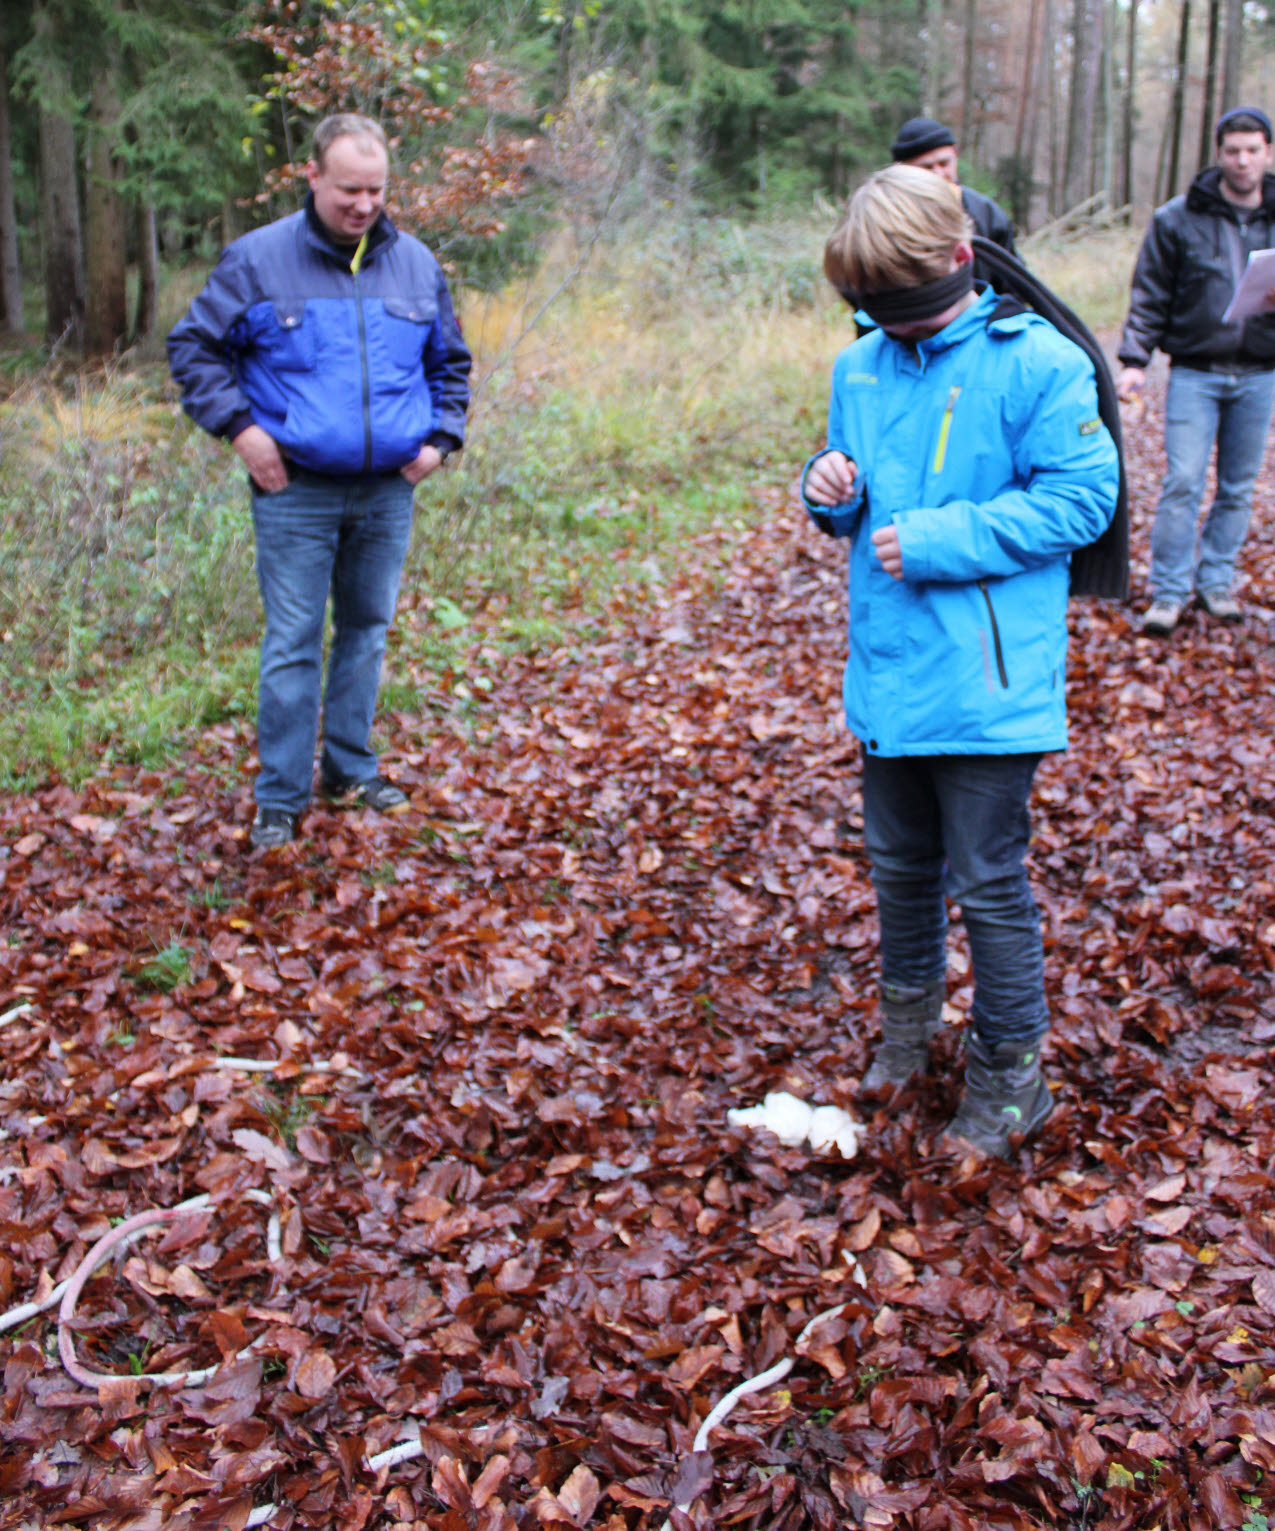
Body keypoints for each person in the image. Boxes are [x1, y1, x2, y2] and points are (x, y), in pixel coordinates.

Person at [800, 165, 1118, 1158]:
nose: (895, 328)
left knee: (987, 880)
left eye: (910, 307)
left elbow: (1083, 500)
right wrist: (827, 488)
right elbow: (849, 492)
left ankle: (1013, 1077)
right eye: (877, 311)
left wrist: (941, 538)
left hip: (987, 679)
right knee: (899, 868)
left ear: (958, 258)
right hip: (888, 672)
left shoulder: (1038, 363)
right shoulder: (861, 366)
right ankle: (907, 1037)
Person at [169, 114, 472, 849]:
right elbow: (195, 349)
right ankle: (280, 796)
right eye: (347, 190)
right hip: (294, 490)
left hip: (387, 491)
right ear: (312, 176)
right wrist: (242, 430)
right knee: (294, 639)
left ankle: (348, 770)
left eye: (375, 190)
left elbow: (450, 364)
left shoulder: (415, 264)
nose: (363, 205)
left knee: (366, 631)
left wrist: (441, 439)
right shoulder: (257, 260)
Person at [1117, 106, 1275, 635]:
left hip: (1260, 371)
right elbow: (1150, 292)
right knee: (1183, 480)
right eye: (1233, 150)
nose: (1243, 160)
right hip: (1195, 371)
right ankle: (1168, 591)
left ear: (1268, 152)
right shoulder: (1178, 218)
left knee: (1238, 486)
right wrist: (1134, 361)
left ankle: (1216, 583)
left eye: (1252, 150)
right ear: (1219, 153)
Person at [891, 116, 1017, 256]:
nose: (939, 175)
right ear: (901, 169)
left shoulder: (987, 215)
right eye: (926, 168)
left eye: (944, 163)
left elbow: (1011, 267)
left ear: (955, 154)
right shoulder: (888, 218)